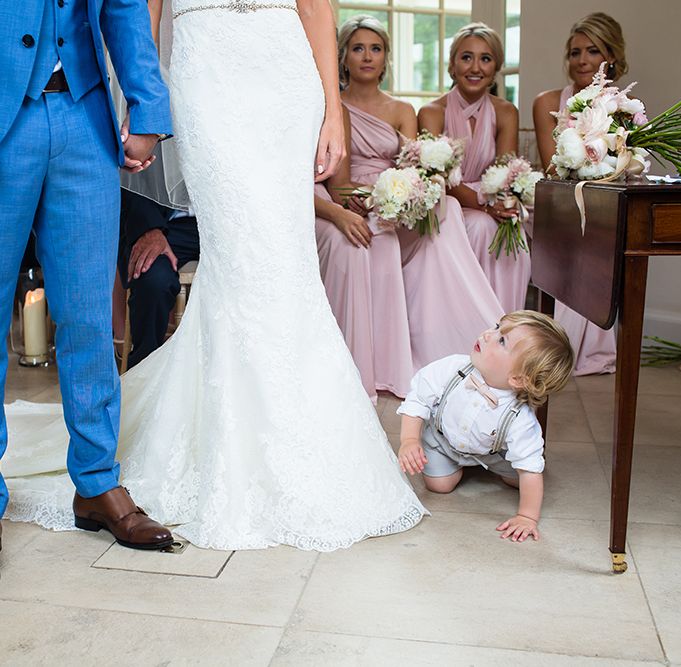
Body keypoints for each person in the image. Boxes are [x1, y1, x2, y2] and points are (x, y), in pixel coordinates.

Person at [3, 0, 427, 552]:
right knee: (240, 258)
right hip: (201, 75)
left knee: (276, 264)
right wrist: (148, 98)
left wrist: (331, 109)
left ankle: (107, 478)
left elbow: (309, 6)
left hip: (269, 77)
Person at [0, 0, 174, 551]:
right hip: (6, 111)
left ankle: (97, 483)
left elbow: (123, 7)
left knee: (90, 316)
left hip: (84, 116)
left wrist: (146, 110)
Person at [336, 15, 504, 372]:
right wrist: (354, 196)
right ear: (344, 57)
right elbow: (337, 176)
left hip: (396, 199)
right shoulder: (333, 106)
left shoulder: (402, 110)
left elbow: (413, 166)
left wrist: (403, 195)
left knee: (447, 208)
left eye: (376, 49)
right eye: (358, 48)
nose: (367, 56)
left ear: (385, 59)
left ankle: (453, 328)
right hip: (353, 197)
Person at [397, 310, 574, 542]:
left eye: (502, 340)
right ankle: (453, 462)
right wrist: (409, 440)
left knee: (523, 478)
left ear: (518, 379)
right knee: (439, 485)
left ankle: (490, 467)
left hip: (492, 452)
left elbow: (530, 467)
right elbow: (418, 399)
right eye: (497, 326)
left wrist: (527, 516)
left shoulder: (519, 417)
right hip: (443, 441)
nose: (488, 334)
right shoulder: (453, 369)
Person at [532, 12, 625, 375]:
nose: (582, 60)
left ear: (611, 57)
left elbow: (625, 166)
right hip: (559, 205)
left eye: (592, 51)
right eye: (575, 52)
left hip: (605, 204)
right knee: (578, 233)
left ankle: (591, 346)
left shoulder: (625, 108)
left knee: (603, 231)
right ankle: (558, 348)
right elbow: (551, 169)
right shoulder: (547, 102)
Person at [419, 23, 531, 314]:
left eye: (486, 58)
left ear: (496, 69)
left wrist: (500, 203)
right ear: (452, 65)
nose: (475, 67)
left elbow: (505, 170)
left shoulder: (506, 112)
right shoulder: (431, 113)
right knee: (480, 227)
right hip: (450, 203)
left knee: (515, 233)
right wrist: (483, 207)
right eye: (466, 57)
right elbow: (439, 179)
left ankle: (506, 323)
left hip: (489, 202)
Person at [314, 104, 413, 401]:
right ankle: (343, 367)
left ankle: (380, 367)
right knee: (349, 244)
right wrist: (336, 213)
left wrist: (381, 199)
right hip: (296, 201)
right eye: (358, 51)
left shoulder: (335, 109)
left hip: (325, 195)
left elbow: (338, 184)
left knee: (379, 237)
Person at [119, 189, 200, 368]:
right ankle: (144, 370)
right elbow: (134, 177)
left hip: (228, 225)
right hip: (165, 222)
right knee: (154, 278)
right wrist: (149, 227)